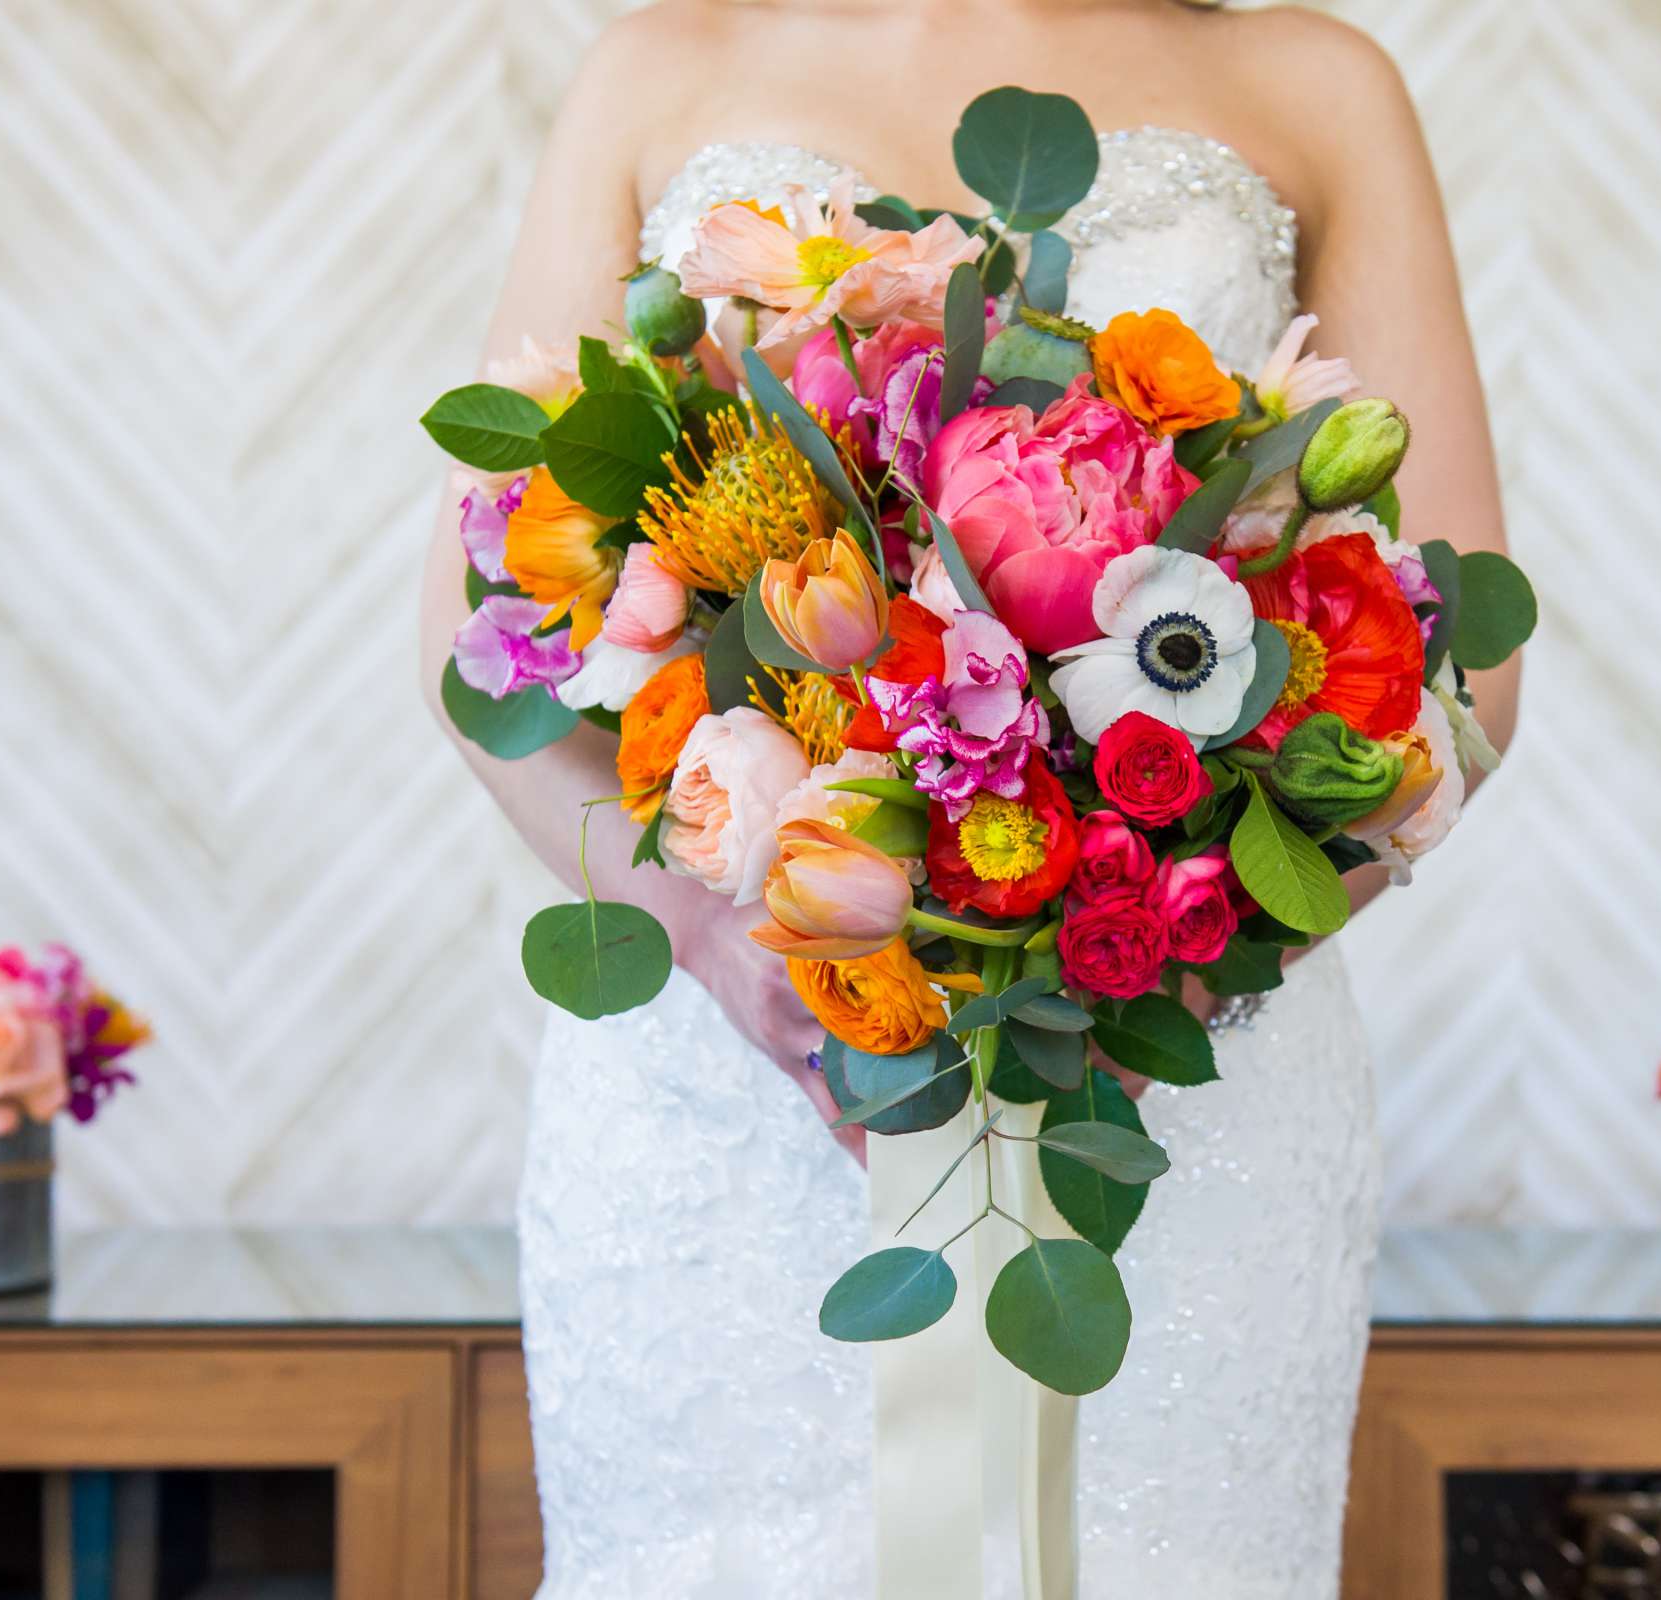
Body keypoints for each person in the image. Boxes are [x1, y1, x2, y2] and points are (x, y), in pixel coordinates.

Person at [417, 2, 1518, 1593]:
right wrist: (729, 940)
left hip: (1177, 1074)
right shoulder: (660, 66)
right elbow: (480, 645)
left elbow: (1459, 661)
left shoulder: (1317, 87)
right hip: (724, 1076)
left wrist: (1142, 961)